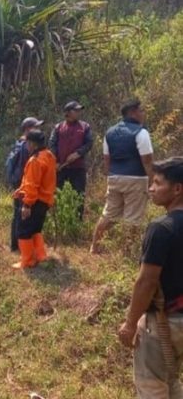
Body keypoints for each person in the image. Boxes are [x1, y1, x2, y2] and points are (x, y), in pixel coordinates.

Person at [117, 157, 183, 398]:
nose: (151, 188)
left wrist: (130, 323)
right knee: (171, 381)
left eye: (157, 183)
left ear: (177, 190)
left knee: (152, 387)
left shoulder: (161, 228)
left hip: (164, 323)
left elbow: (147, 281)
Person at [90, 99, 154, 254]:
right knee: (133, 218)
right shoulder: (141, 132)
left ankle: (94, 247)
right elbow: (147, 161)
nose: (143, 113)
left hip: (114, 178)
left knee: (108, 214)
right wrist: (153, 182)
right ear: (133, 112)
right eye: (141, 110)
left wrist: (109, 178)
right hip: (136, 179)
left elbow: (107, 159)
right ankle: (126, 252)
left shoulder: (110, 132)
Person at [11, 130, 57, 269]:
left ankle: (28, 261)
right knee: (36, 229)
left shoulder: (35, 160)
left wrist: (27, 205)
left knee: (23, 231)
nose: (26, 145)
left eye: (27, 142)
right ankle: (40, 256)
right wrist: (21, 190)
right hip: (44, 201)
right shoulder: (49, 156)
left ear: (32, 144)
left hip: (34, 202)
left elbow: (32, 185)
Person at [50, 101, 94, 219]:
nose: (79, 112)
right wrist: (56, 162)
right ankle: (61, 220)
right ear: (68, 113)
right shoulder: (58, 127)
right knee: (59, 195)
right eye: (76, 110)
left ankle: (77, 222)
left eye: (80, 110)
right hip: (61, 169)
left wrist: (77, 153)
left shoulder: (85, 126)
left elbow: (89, 143)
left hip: (78, 168)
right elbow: (52, 145)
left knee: (79, 195)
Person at [6, 117, 44, 252]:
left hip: (20, 184)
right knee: (21, 215)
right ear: (28, 129)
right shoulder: (26, 146)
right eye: (36, 127)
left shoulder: (20, 143)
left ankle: (15, 245)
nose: (39, 129)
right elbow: (26, 167)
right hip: (23, 184)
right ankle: (18, 246)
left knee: (18, 213)